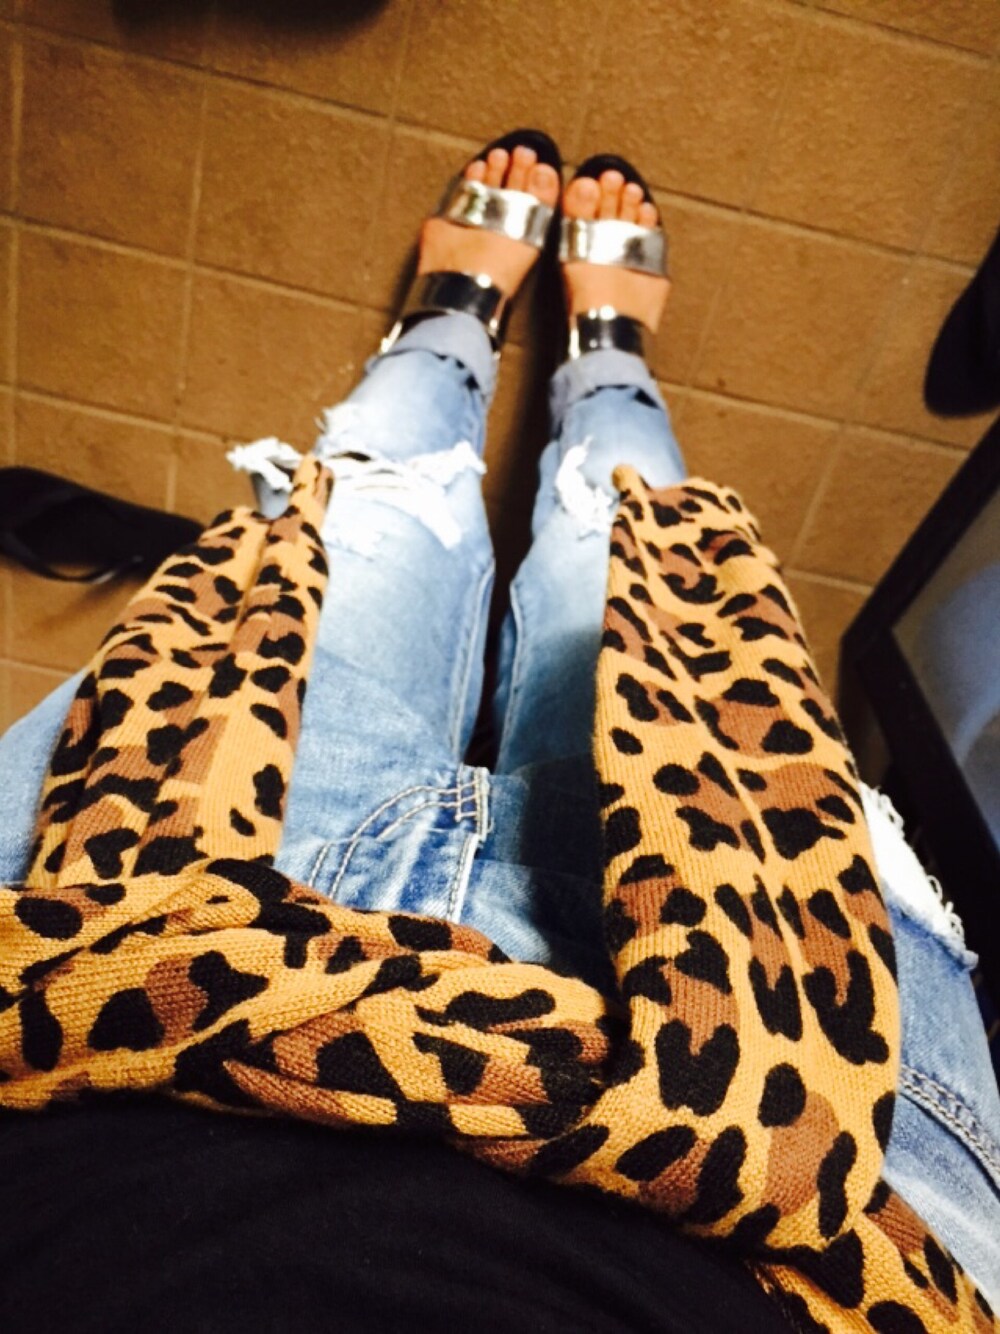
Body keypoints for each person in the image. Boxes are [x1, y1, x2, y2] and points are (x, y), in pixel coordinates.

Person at [0, 131, 998, 1332]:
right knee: (631, 549)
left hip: (119, 974)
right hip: (790, 1118)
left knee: (369, 511)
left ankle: (451, 327)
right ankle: (606, 367)